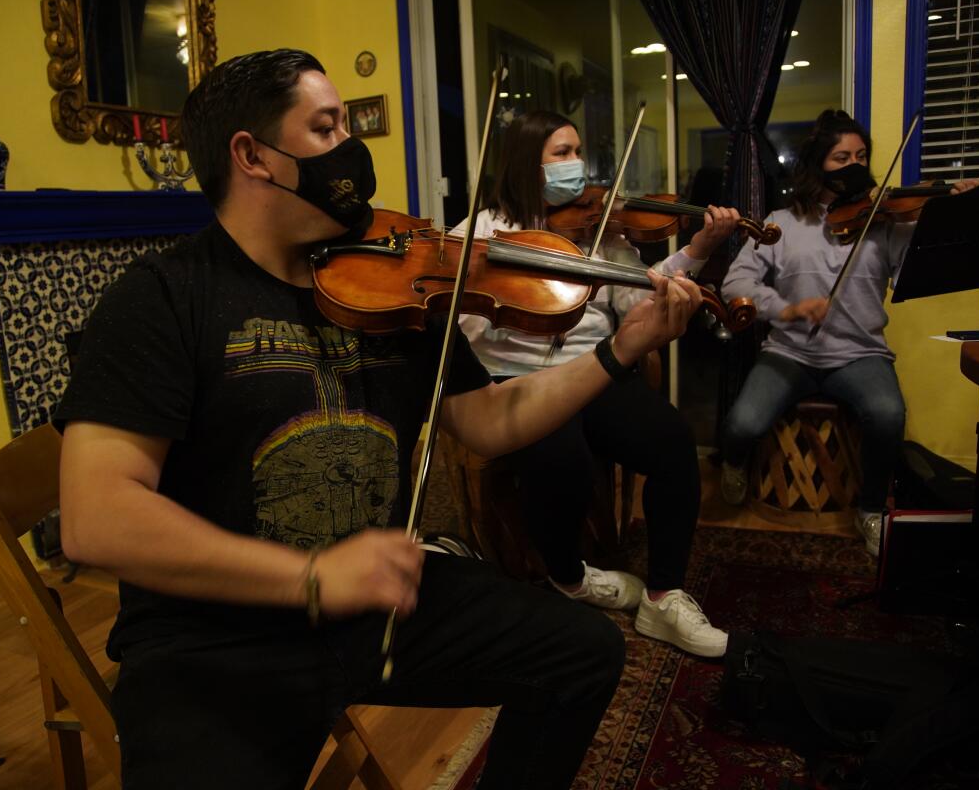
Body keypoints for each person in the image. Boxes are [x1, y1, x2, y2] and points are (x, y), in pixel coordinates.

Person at [55, 50, 705, 789]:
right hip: (215, 637)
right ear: (252, 156)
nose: (351, 151)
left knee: (581, 652)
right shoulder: (163, 299)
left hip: (374, 601)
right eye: (326, 127)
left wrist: (621, 351)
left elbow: (489, 420)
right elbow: (96, 517)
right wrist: (310, 575)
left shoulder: (395, 278)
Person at [451, 110, 741, 658]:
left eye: (577, 151)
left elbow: (638, 297)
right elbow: (455, 331)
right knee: (561, 458)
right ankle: (569, 577)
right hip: (519, 382)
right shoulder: (477, 235)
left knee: (674, 443)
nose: (576, 166)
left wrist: (698, 250)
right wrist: (498, 292)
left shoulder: (596, 227)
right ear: (524, 162)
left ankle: (663, 595)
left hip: (598, 369)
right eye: (562, 153)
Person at [718, 109, 979, 556]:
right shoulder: (782, 221)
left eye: (861, 156)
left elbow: (918, 271)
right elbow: (735, 283)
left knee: (888, 415)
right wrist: (786, 308)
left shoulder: (883, 220)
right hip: (789, 353)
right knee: (741, 424)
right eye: (841, 157)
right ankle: (735, 463)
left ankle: (872, 510)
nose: (854, 165)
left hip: (860, 353)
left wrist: (952, 216)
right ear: (818, 163)